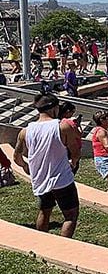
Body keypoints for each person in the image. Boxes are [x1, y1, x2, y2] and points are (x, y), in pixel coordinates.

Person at [13, 93, 82, 238]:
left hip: (40, 179)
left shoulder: (25, 131)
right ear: (55, 108)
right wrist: (73, 163)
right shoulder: (62, 127)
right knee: (70, 216)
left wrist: (26, 167)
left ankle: (43, 244)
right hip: (62, 179)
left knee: (45, 210)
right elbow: (75, 152)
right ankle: (63, 247)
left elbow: (17, 158)